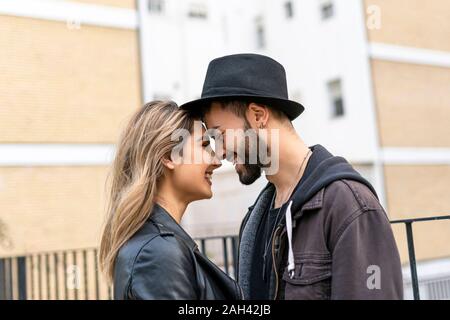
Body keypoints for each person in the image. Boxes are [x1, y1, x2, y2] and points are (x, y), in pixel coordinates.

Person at [180, 53, 403, 300]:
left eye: (220, 134)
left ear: (257, 116)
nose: (219, 152)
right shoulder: (255, 220)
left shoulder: (348, 206)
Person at [99, 101, 242, 300]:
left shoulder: (155, 245)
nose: (216, 161)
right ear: (169, 156)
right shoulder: (158, 253)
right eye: (203, 145)